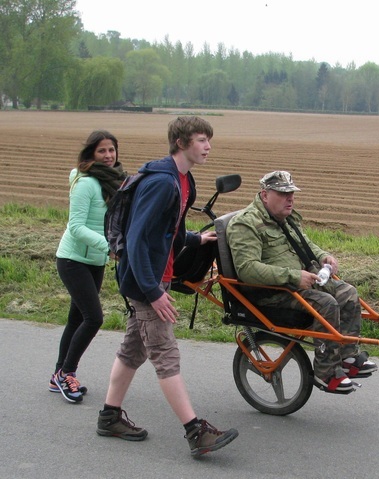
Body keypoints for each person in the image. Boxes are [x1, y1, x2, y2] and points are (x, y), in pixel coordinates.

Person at [96, 116, 239, 457]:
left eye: (209, 140)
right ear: (181, 143)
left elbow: (169, 229)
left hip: (154, 275)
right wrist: (153, 291)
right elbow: (136, 239)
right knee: (166, 354)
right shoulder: (162, 182)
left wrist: (194, 238)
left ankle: (109, 417)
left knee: (134, 350)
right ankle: (195, 432)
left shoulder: (184, 180)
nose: (208, 147)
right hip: (144, 280)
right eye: (202, 140)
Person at [226, 170, 378, 394]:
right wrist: (294, 276)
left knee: (348, 292)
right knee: (326, 303)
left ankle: (347, 357)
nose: (290, 199)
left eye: (292, 193)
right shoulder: (245, 224)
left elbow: (306, 244)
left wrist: (323, 256)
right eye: (283, 193)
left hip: (299, 284)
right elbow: (247, 270)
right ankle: (325, 372)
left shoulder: (284, 218)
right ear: (265, 195)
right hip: (270, 293)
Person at [51, 130, 127, 403]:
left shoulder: (115, 181)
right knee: (93, 318)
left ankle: (58, 373)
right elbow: (76, 227)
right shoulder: (86, 183)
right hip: (73, 260)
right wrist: (109, 246)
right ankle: (66, 374)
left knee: (76, 318)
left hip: (94, 260)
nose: (108, 156)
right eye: (102, 151)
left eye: (111, 150)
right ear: (91, 154)